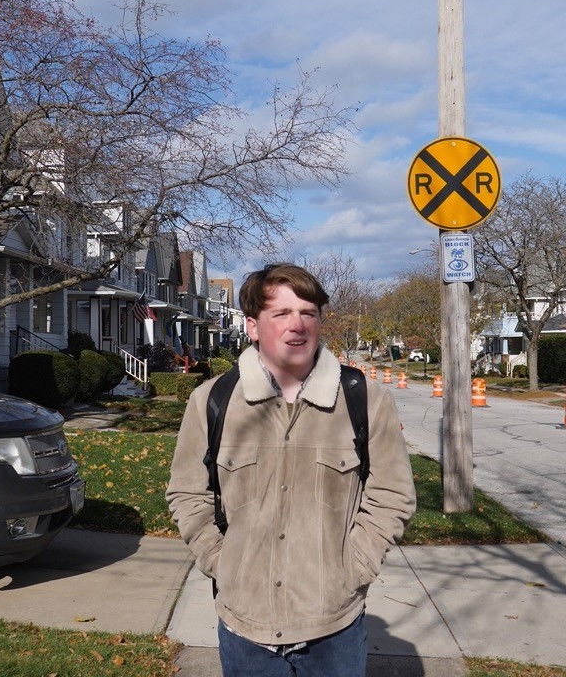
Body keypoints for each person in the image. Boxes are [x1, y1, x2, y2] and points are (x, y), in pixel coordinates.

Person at [167, 263, 416, 676]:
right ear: (252, 325)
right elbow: (188, 493)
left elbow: (392, 494)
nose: (297, 325)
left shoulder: (364, 399)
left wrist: (354, 567)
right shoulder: (212, 401)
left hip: (333, 625)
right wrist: (221, 561)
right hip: (245, 625)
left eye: (308, 313)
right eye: (281, 314)